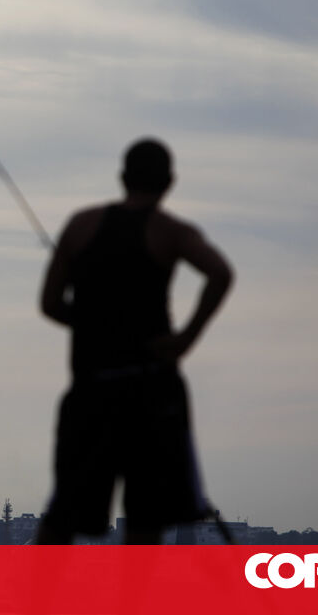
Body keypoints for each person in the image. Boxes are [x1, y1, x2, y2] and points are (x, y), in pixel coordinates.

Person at [34, 138, 233, 545]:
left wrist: (92, 325)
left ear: (122, 177)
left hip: (91, 393)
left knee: (63, 516)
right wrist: (185, 338)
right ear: (169, 182)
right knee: (146, 521)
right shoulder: (171, 232)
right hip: (152, 396)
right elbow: (219, 273)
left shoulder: (81, 226)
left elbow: (50, 304)